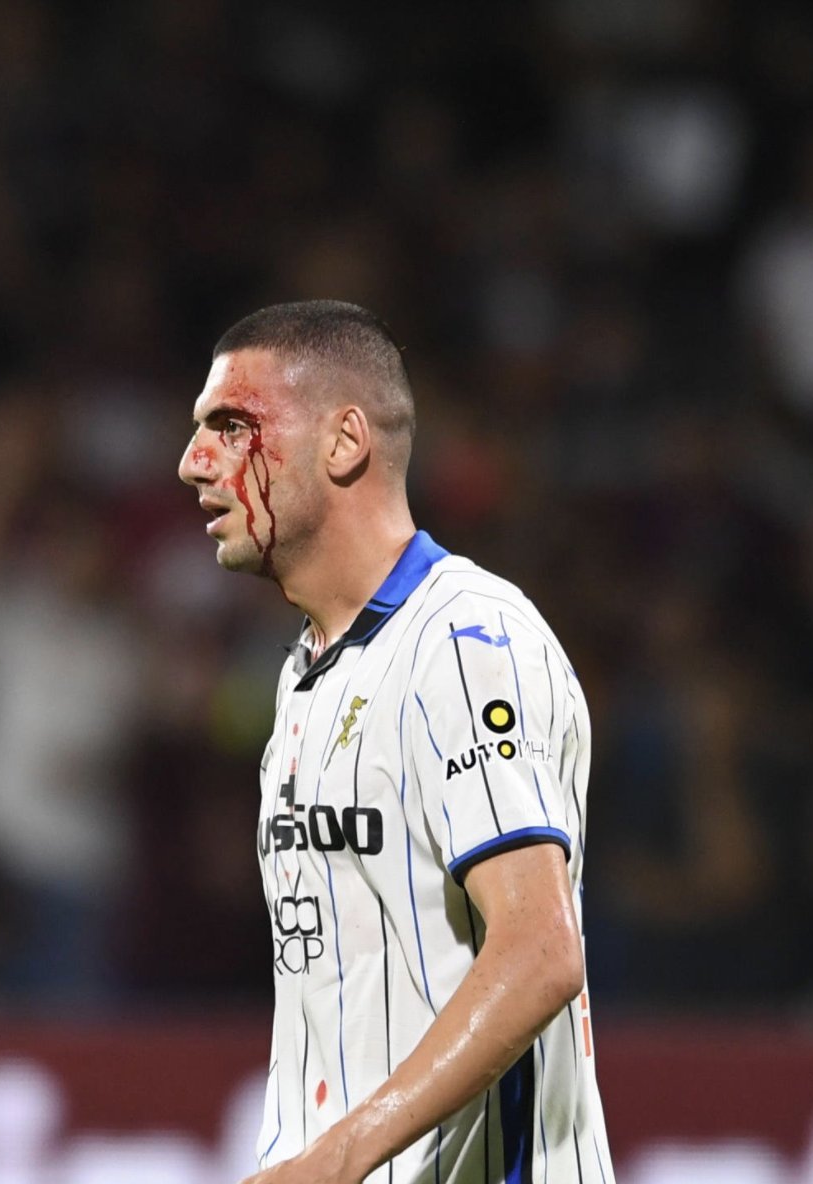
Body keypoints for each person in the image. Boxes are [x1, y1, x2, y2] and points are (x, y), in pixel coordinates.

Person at [177, 301, 613, 1183]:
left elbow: (540, 951)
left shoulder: (465, 642)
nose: (193, 462)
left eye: (230, 426)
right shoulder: (306, 674)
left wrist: (339, 1158)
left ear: (344, 443)